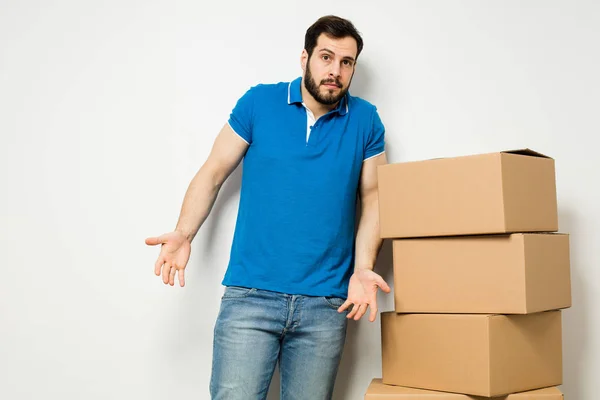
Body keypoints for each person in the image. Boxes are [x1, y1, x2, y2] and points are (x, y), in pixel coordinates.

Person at [146, 15, 390, 400]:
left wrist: (363, 269)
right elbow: (212, 172)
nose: (335, 71)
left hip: (325, 304)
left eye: (346, 63)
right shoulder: (259, 102)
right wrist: (184, 232)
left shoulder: (366, 120)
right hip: (250, 298)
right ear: (305, 57)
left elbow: (374, 199)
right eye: (326, 57)